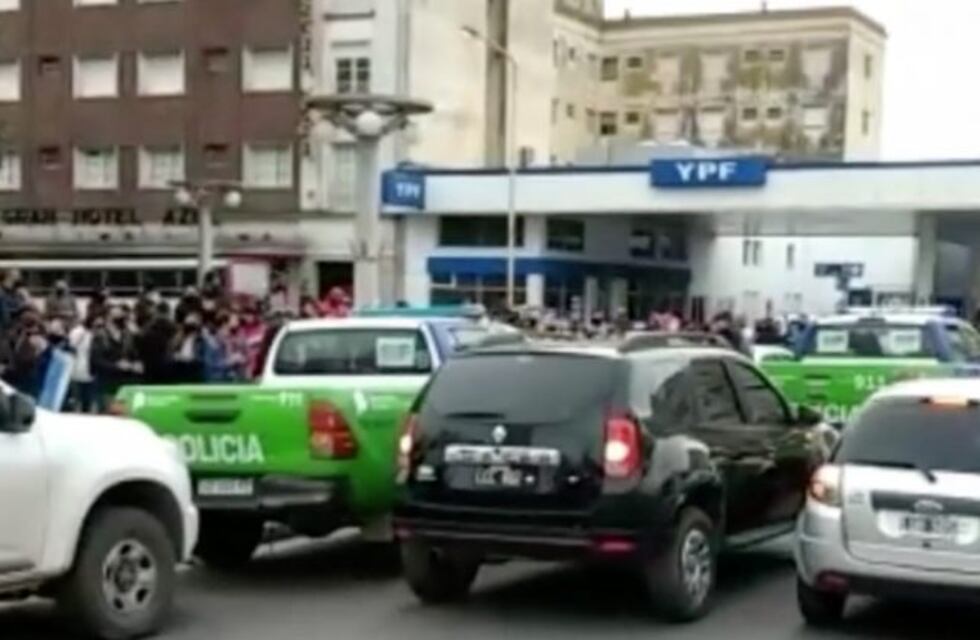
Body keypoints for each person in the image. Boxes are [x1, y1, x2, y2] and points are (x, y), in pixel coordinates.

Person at [91, 306, 141, 409]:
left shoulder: (128, 335)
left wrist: (135, 363)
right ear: (109, 319)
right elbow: (96, 360)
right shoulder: (100, 336)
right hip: (106, 385)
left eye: (121, 316)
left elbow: (133, 354)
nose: (120, 319)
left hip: (124, 385)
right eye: (116, 316)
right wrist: (116, 366)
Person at [137, 302, 178, 384]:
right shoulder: (174, 327)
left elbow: (140, 345)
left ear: (156, 312)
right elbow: (175, 345)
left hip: (149, 365)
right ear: (168, 312)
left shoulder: (146, 328)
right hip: (167, 365)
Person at [68, 315, 97, 413]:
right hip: (77, 369)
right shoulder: (78, 332)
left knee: (87, 401)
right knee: (78, 400)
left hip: (89, 370)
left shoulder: (94, 333)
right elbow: (72, 347)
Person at [170, 311, 206, 383]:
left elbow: (202, 358)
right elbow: (172, 351)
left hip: (193, 370)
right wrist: (176, 356)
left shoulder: (201, 340)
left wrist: (192, 359)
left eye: (193, 325)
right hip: (180, 368)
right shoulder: (179, 338)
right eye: (188, 325)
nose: (190, 328)